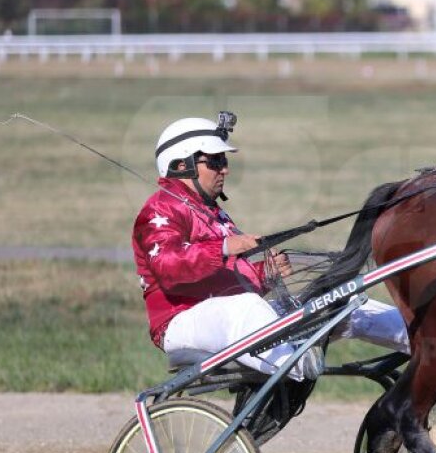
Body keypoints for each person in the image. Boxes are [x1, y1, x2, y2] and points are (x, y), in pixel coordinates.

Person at [132, 112, 409, 380]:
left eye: (224, 160)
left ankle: (428, 338)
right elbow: (167, 266)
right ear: (182, 165)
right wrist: (226, 246)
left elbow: (225, 281)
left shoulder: (213, 213)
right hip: (179, 323)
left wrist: (265, 273)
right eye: (215, 161)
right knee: (248, 307)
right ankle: (298, 361)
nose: (225, 168)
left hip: (227, 316)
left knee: (341, 304)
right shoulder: (160, 208)